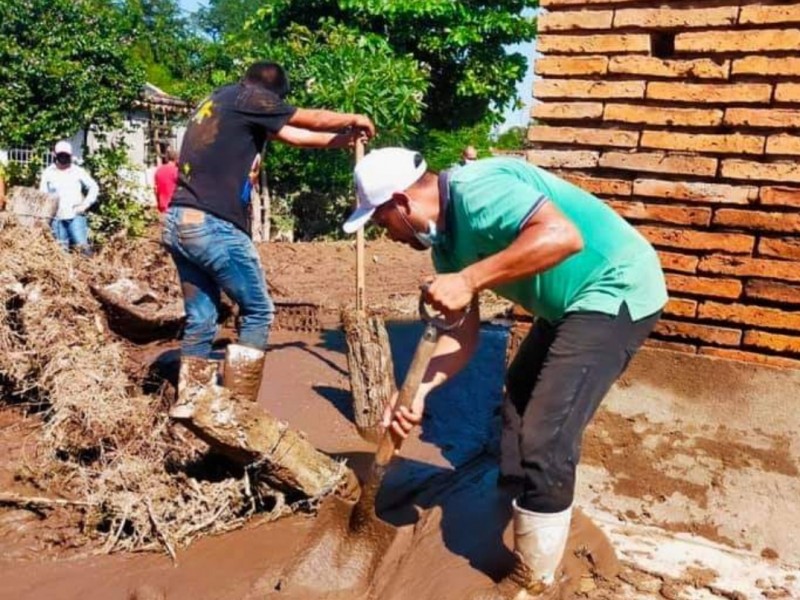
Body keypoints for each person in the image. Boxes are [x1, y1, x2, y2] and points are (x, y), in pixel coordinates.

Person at [343, 148, 667, 599]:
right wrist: (417, 392)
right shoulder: (447, 245)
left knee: (546, 435)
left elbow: (562, 236)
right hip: (565, 305)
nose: (389, 236)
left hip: (616, 287)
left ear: (401, 203)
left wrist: (469, 280)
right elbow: (463, 337)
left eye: (382, 223)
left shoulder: (477, 191)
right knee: (517, 398)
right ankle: (526, 501)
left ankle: (536, 578)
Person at [163, 61, 375, 416]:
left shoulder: (222, 102)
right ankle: (236, 414)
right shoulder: (249, 97)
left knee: (202, 318)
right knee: (259, 310)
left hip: (179, 223)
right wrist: (353, 117)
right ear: (271, 93)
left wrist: (343, 141)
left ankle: (192, 407)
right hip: (212, 226)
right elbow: (308, 118)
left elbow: (294, 134)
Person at [39, 141, 99, 255]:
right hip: (57, 219)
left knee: (82, 248)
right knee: (61, 252)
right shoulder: (48, 173)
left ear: (70, 156)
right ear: (54, 154)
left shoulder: (78, 171)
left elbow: (94, 187)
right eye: (61, 155)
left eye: (66, 155)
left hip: (75, 216)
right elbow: (43, 195)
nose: (63, 158)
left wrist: (85, 204)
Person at [154, 147, 179, 214]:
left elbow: (156, 190)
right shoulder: (176, 171)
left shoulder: (158, 170)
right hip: (174, 206)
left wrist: (158, 204)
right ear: (176, 159)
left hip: (163, 207)